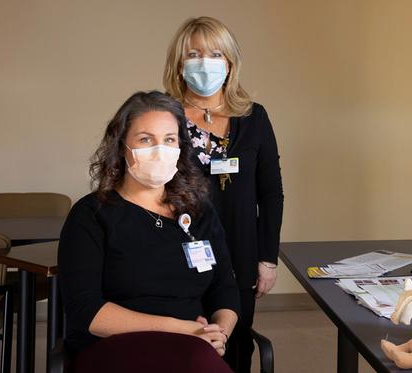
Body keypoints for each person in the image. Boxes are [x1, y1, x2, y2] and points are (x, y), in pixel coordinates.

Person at [58, 91, 240, 373]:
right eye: (145, 139)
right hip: (113, 348)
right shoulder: (91, 215)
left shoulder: (199, 212)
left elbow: (225, 289)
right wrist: (181, 329)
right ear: (121, 146)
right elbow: (86, 311)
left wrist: (220, 334)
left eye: (169, 140)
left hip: (194, 347)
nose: (160, 149)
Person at [163, 16, 284, 372]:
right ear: (179, 63)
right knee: (184, 349)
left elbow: (271, 192)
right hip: (177, 253)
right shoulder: (163, 117)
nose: (205, 62)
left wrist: (267, 259)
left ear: (229, 63)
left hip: (241, 254)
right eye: (194, 54)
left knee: (235, 348)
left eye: (215, 53)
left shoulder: (254, 118)